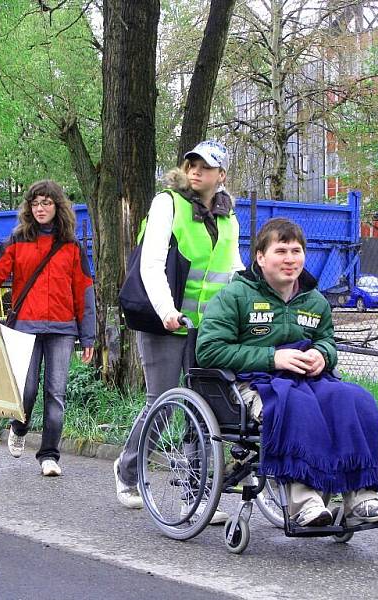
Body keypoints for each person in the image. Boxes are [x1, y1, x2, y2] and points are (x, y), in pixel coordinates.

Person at [196, 217, 378, 527]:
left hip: (310, 379)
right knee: (297, 408)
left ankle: (363, 497)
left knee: (356, 402)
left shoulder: (315, 300)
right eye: (281, 251)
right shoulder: (233, 297)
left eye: (296, 250)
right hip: (254, 382)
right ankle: (305, 502)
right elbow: (209, 350)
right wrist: (272, 357)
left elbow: (327, 341)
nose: (290, 259)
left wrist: (323, 354)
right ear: (260, 257)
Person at [113, 140, 242, 523]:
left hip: (207, 329)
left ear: (221, 176)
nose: (196, 170)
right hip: (164, 321)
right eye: (191, 163)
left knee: (203, 409)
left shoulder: (227, 217)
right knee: (165, 403)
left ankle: (194, 493)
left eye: (206, 166)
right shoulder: (167, 203)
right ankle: (127, 471)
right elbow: (152, 264)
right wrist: (168, 311)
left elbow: (233, 271)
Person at [0, 179, 95, 477]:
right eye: (35, 203)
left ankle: (49, 455)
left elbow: (84, 292)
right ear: (29, 207)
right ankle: (19, 426)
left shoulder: (71, 246)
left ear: (57, 206)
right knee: (27, 390)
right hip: (26, 325)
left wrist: (89, 335)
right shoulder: (18, 239)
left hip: (63, 328)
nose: (40, 208)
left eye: (46, 203)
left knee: (56, 393)